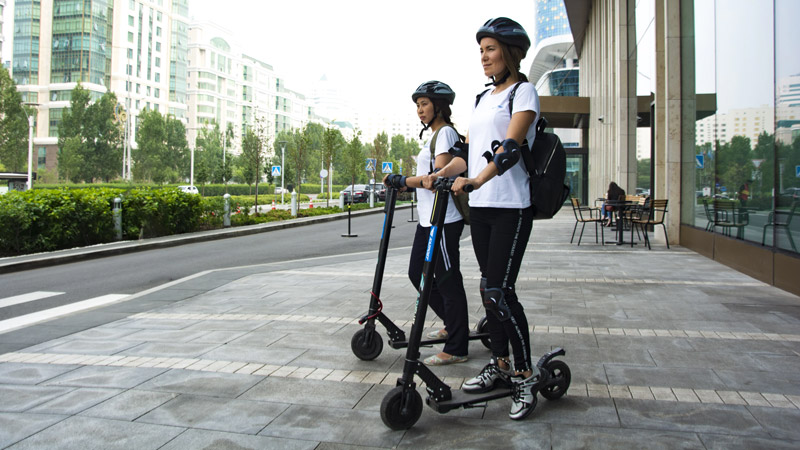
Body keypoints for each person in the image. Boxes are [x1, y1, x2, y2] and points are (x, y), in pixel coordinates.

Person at [423, 17, 544, 420]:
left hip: (512, 205)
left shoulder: (523, 93)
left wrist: (477, 179)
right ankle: (501, 362)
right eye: (481, 51)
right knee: (486, 290)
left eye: (490, 49)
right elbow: (466, 153)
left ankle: (525, 374)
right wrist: (442, 175)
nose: (484, 57)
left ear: (510, 53)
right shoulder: (481, 98)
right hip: (483, 208)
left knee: (500, 291)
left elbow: (510, 148)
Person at [384, 81, 469, 366]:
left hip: (443, 220)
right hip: (427, 220)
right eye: (418, 105)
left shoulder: (444, 134)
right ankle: (452, 322)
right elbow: (425, 180)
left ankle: (457, 345)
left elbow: (436, 181)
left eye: (424, 104)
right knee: (415, 273)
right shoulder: (433, 136)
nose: (420, 110)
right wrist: (408, 184)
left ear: (439, 107)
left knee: (447, 279)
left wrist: (403, 180)